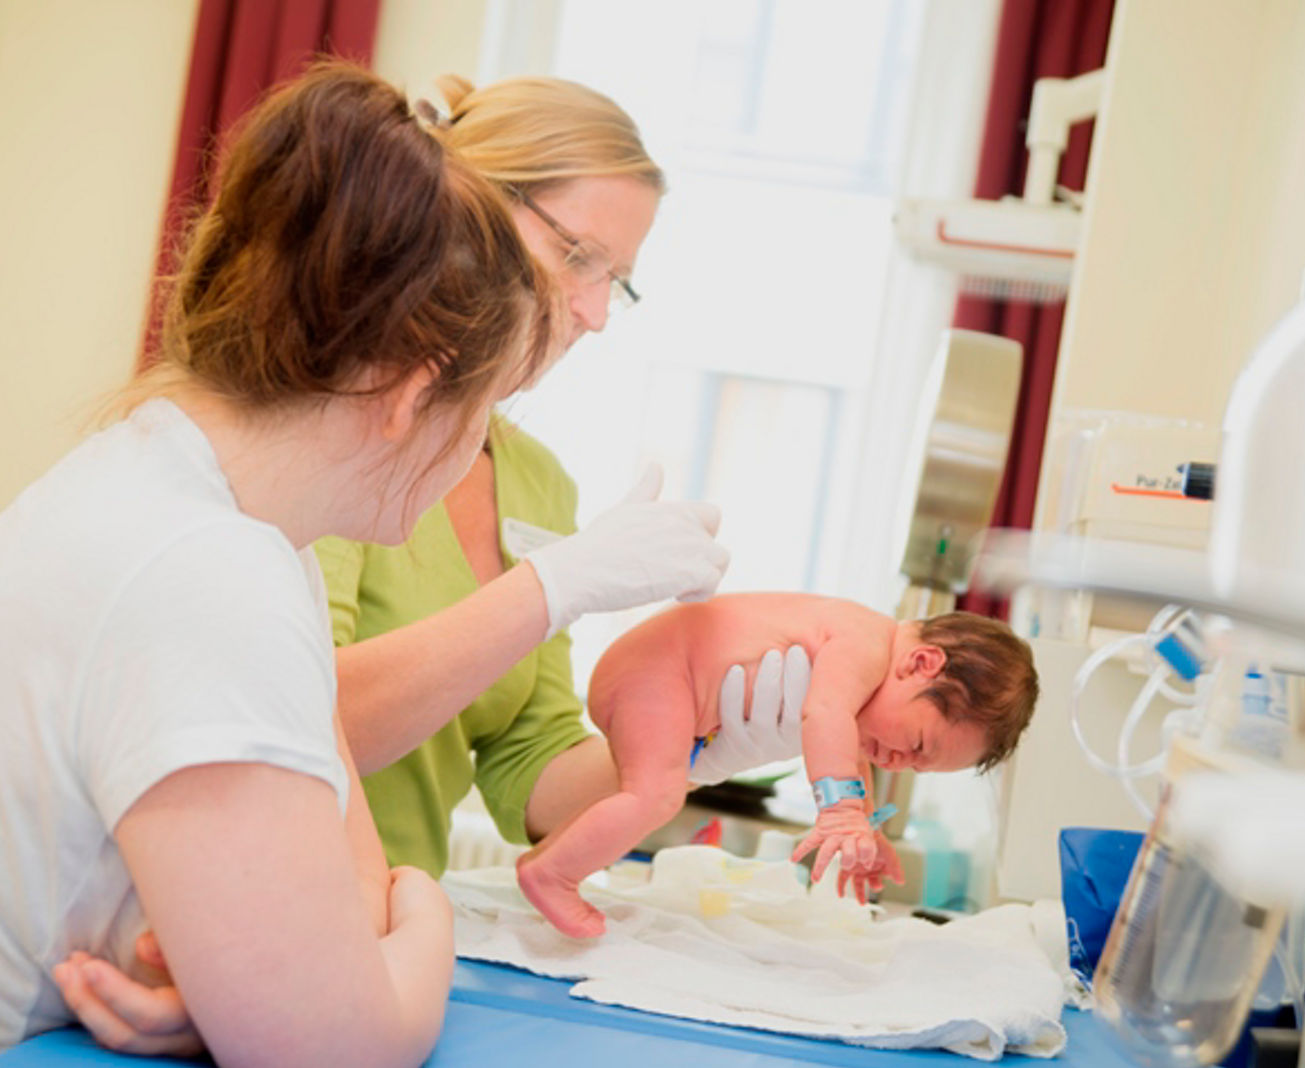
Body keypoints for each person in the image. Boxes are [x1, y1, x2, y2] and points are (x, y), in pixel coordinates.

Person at [0, 61, 723, 1068]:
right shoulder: (211, 574)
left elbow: (328, 890)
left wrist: (250, 980)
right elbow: (338, 1050)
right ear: (414, 397)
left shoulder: (191, 495)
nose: (478, 447)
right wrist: (423, 911)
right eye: (477, 406)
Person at [53, 73, 807, 1056]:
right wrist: (550, 590)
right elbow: (291, 714)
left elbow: (531, 774)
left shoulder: (534, 480)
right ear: (467, 201)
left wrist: (699, 739)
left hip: (370, 940)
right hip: (235, 916)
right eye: (577, 256)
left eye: (616, 281)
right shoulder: (332, 442)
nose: (593, 313)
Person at [517, 598, 1040, 938]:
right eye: (918, 744)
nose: (901, 763)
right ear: (922, 664)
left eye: (919, 768)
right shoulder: (867, 643)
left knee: (657, 790)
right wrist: (840, 814)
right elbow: (826, 714)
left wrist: (866, 826)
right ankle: (552, 874)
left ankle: (548, 858)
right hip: (658, 671)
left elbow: (850, 747)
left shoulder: (871, 674)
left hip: (666, 684)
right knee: (655, 794)